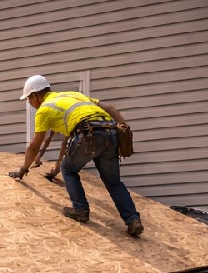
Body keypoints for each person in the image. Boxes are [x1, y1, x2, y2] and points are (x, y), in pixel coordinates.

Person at [9, 75, 142, 236]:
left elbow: (33, 146)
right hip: (111, 132)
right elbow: (109, 107)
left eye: (29, 99)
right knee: (113, 182)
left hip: (87, 133)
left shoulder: (44, 109)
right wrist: (123, 128)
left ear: (36, 95)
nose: (30, 103)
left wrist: (23, 169)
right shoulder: (73, 95)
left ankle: (80, 209)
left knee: (69, 169)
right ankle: (133, 219)